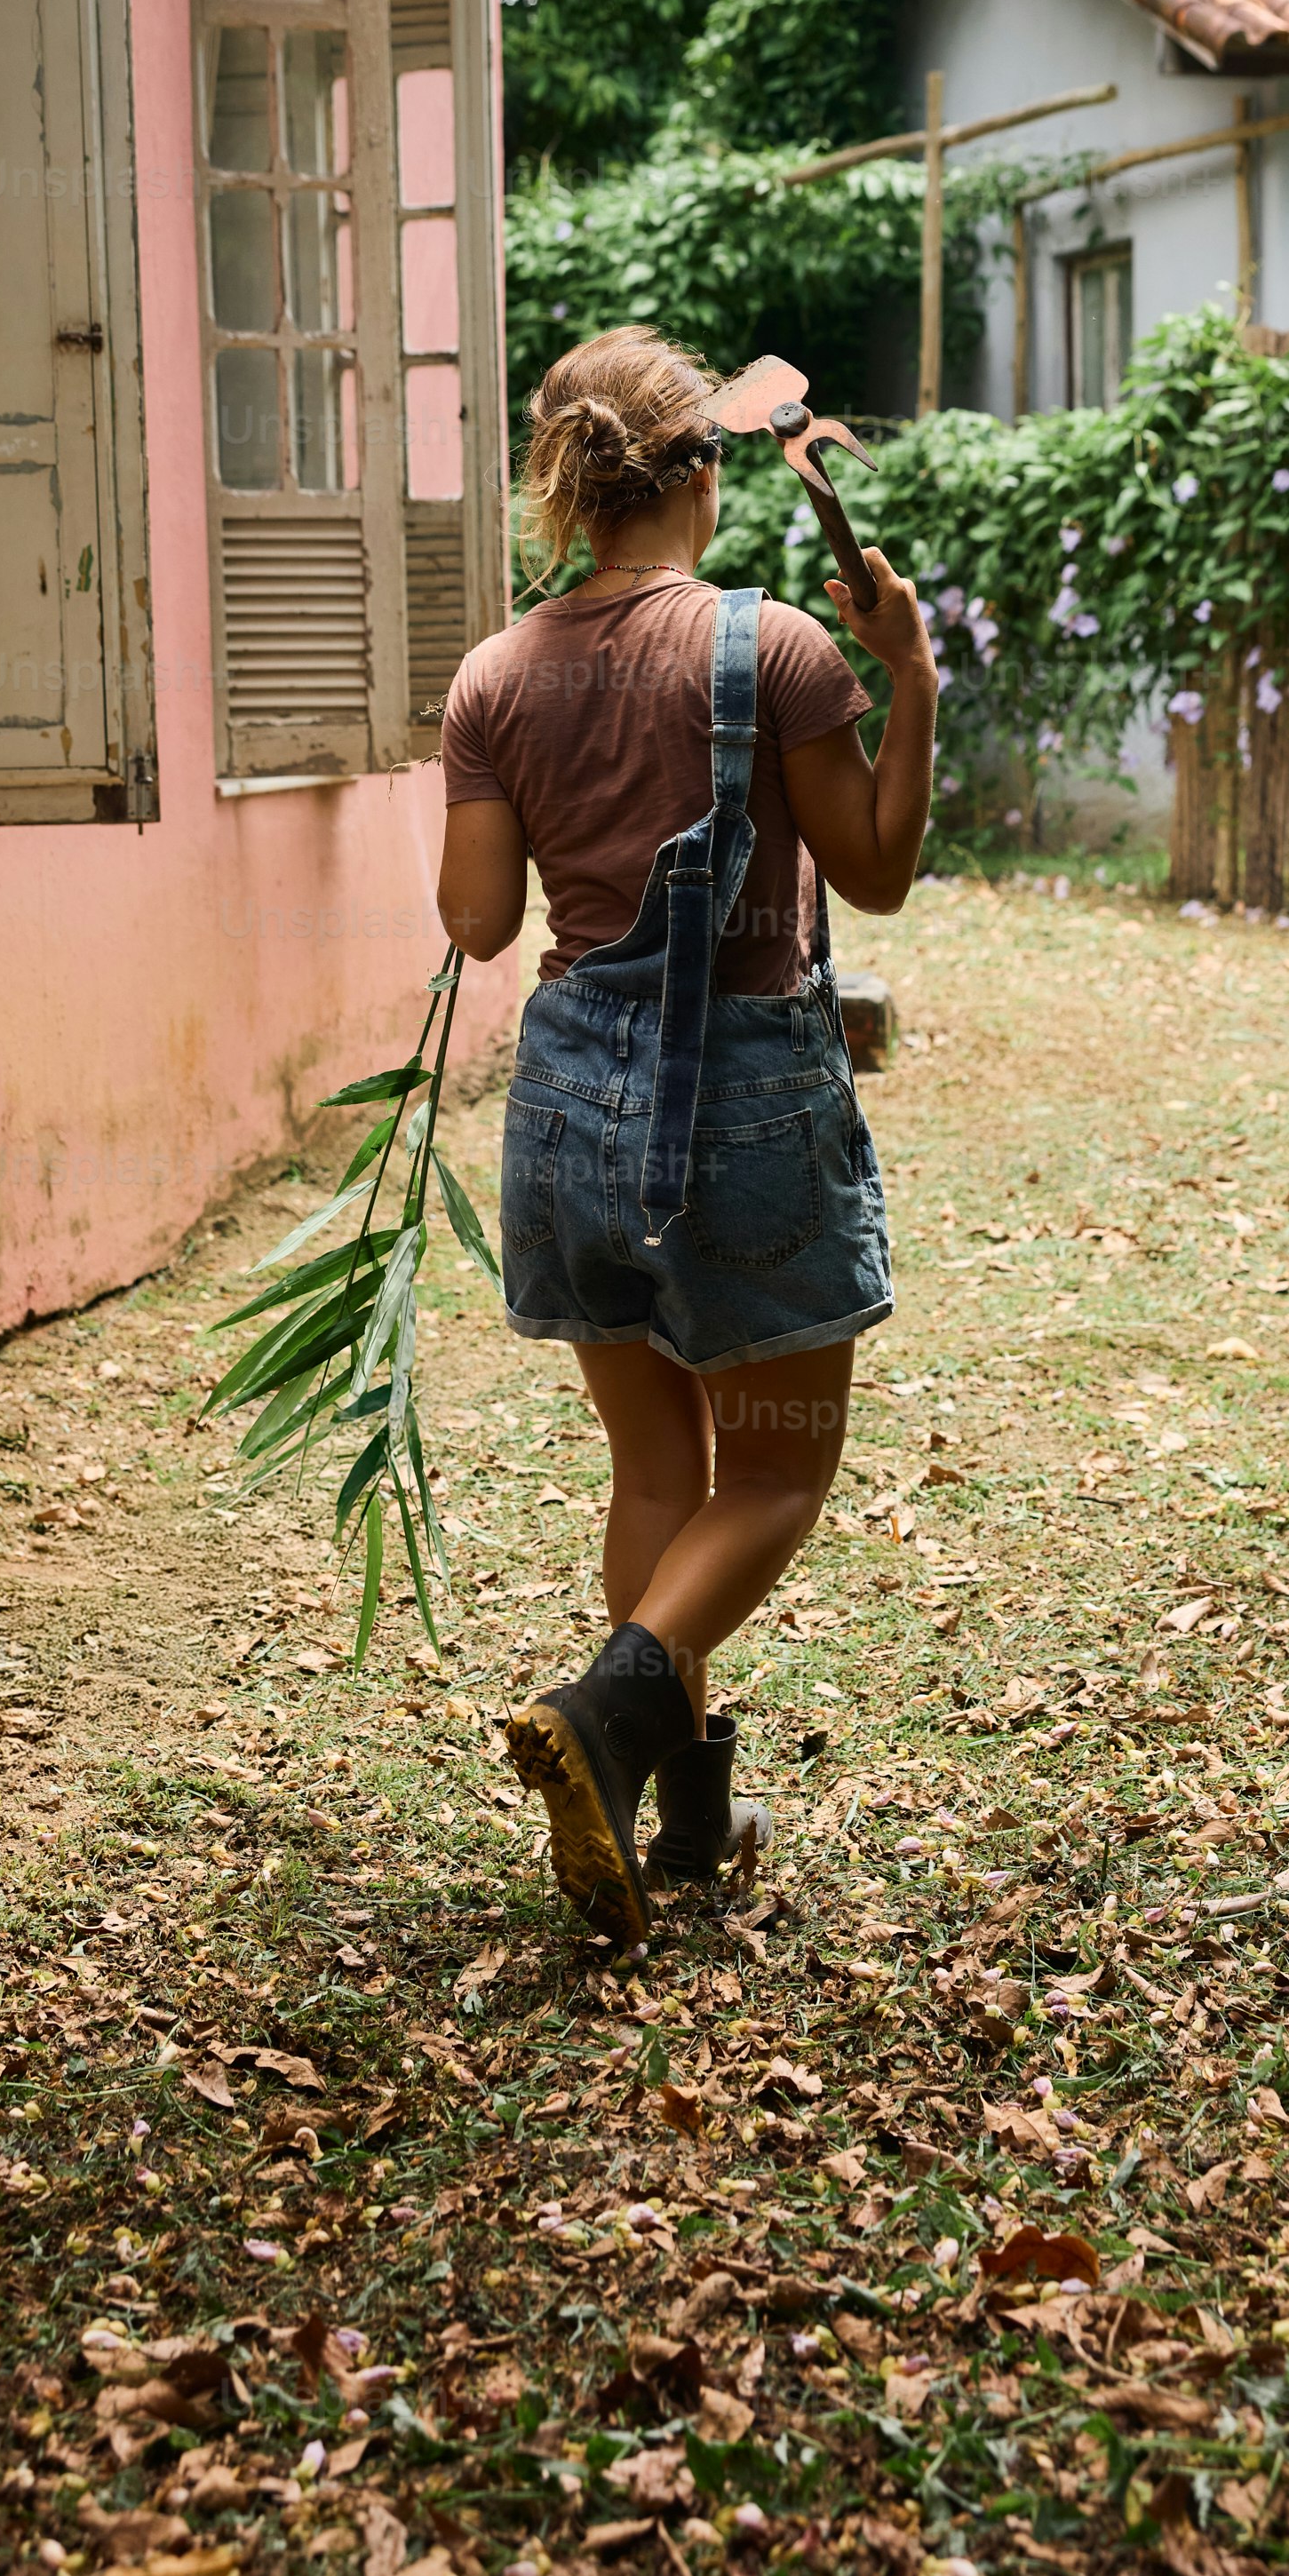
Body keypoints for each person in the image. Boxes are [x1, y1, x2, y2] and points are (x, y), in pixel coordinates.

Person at [436, 326, 938, 1943]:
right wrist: (909, 684)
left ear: (570, 494)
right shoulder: (778, 650)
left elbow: (478, 921)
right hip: (744, 1104)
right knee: (779, 1474)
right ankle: (611, 1720)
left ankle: (687, 1807)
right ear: (705, 475)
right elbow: (872, 870)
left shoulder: (494, 676)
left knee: (659, 1462)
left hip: (572, 1109)